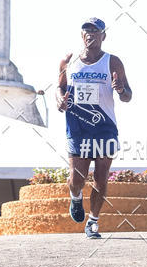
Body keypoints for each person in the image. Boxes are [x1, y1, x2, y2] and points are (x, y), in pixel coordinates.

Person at [56, 18, 132, 238]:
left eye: (95, 31)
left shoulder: (112, 62)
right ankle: (76, 197)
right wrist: (60, 100)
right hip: (77, 126)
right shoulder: (68, 62)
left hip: (104, 127)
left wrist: (120, 90)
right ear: (82, 36)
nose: (90, 34)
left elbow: (128, 96)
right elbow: (58, 88)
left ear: (103, 36)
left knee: (101, 177)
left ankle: (93, 221)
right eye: (86, 31)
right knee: (77, 179)